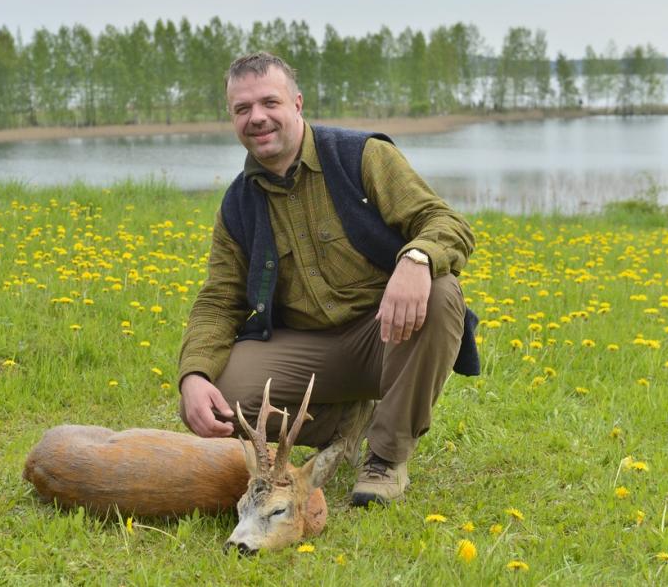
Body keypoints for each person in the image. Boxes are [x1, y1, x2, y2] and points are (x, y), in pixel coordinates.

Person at [178, 52, 479, 507]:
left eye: (269, 102)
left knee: (440, 292)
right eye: (242, 108)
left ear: (297, 104)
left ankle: (386, 457)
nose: (257, 117)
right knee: (219, 395)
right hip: (309, 351)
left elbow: (446, 222)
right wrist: (193, 375)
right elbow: (219, 301)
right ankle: (346, 422)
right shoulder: (237, 204)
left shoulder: (362, 157)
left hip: (389, 336)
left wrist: (416, 259)